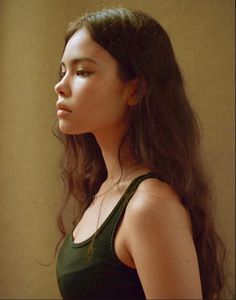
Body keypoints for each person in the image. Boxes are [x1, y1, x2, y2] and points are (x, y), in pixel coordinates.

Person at [53, 7, 226, 300]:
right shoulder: (104, 189)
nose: (60, 86)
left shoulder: (150, 205)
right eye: (62, 71)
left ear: (135, 90)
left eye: (82, 72)